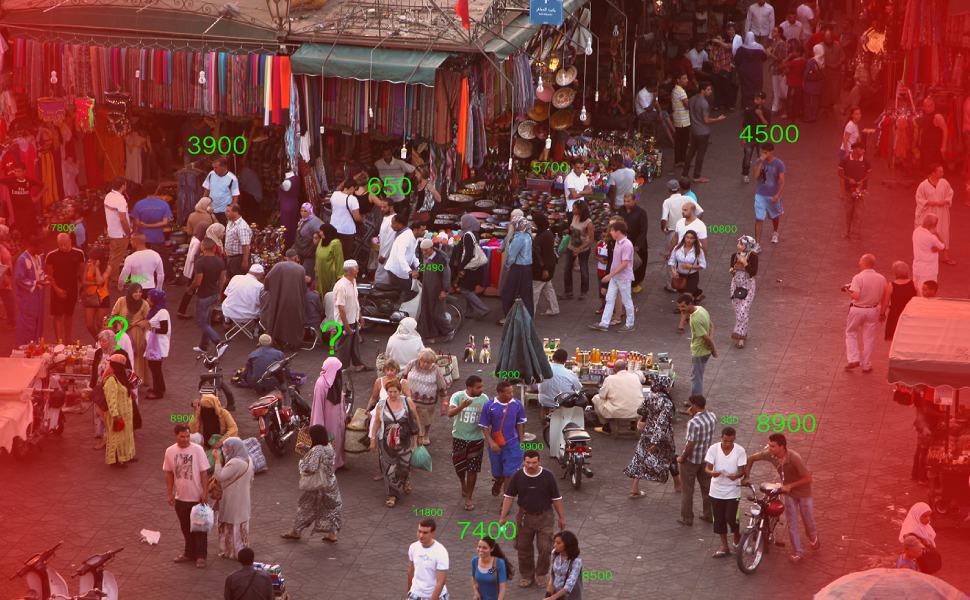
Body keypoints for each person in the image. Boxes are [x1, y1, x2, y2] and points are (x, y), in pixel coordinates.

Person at [743, 433, 818, 563]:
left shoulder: (794, 458)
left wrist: (790, 486)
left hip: (804, 493)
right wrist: (746, 476)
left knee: (808, 521)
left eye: (772, 446)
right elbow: (750, 458)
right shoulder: (770, 455)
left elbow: (808, 478)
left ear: (782, 447)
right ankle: (797, 552)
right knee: (792, 523)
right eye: (769, 445)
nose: (769, 448)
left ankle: (813, 538)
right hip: (789, 494)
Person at [497, 450, 566, 589]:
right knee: (523, 548)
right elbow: (509, 497)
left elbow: (556, 499)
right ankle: (527, 575)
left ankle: (541, 574)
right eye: (528, 462)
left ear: (539, 462)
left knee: (546, 548)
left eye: (534, 462)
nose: (530, 465)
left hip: (545, 517)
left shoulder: (548, 476)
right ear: (524, 461)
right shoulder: (517, 476)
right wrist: (503, 517)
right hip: (524, 517)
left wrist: (561, 517)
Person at [280, 424, 343, 543]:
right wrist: (306, 448)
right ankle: (332, 534)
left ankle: (295, 531)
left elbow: (312, 467)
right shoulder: (329, 446)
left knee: (305, 507)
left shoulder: (317, 449)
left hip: (317, 486)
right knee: (332, 508)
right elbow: (319, 455)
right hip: (331, 484)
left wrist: (301, 464)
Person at [163, 424, 211, 568]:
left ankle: (201, 556)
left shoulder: (198, 450)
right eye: (182, 436)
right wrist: (169, 493)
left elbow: (204, 473)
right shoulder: (170, 451)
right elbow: (168, 473)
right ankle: (189, 553)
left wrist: (205, 492)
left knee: (200, 529)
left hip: (197, 499)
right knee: (185, 528)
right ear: (175, 435)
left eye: (187, 436)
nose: (185, 439)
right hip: (180, 498)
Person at [369, 378, 421, 507]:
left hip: (405, 441)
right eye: (390, 392)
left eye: (395, 392)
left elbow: (415, 417)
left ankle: (405, 479)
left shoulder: (407, 401)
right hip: (386, 443)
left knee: (404, 465)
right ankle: (392, 495)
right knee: (388, 468)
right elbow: (376, 422)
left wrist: (420, 434)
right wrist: (373, 439)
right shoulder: (381, 404)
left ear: (400, 391)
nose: (392, 394)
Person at [625, 377, 680, 497]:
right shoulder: (667, 403)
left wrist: (648, 415)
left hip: (647, 432)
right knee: (670, 457)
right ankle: (678, 484)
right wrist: (655, 442)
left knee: (640, 458)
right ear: (665, 386)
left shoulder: (650, 397)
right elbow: (662, 423)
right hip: (663, 435)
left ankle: (634, 488)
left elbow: (640, 410)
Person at [448, 375, 489, 511]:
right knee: (459, 467)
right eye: (478, 387)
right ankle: (462, 483)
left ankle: (469, 496)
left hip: (477, 439)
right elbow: (450, 413)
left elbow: (487, 418)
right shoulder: (458, 396)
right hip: (459, 437)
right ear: (469, 388)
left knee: (473, 468)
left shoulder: (484, 399)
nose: (481, 389)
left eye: (481, 386)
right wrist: (462, 406)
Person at [480, 381, 527, 498]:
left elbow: (520, 423)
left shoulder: (517, 404)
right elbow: (484, 426)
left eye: (512, 392)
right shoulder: (489, 405)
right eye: (508, 393)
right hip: (496, 445)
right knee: (498, 472)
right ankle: (498, 480)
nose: (511, 395)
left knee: (509, 474)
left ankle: (506, 500)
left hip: (513, 444)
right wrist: (491, 443)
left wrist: (521, 442)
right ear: (500, 393)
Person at [705, 427, 747, 558]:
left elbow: (742, 470)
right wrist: (712, 473)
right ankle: (724, 546)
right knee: (719, 519)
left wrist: (736, 475)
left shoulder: (740, 451)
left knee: (731, 517)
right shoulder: (713, 449)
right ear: (721, 438)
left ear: (734, 438)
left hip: (733, 491)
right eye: (725, 441)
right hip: (716, 490)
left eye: (730, 441)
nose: (728, 444)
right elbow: (707, 468)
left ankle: (736, 535)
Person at [843, 253, 888, 373]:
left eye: (860, 261)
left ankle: (853, 358)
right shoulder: (881, 278)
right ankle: (866, 364)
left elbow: (856, 296)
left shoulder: (858, 277)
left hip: (857, 309)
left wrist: (848, 290)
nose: (859, 263)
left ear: (864, 263)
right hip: (873, 310)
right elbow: (885, 297)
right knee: (869, 338)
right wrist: (882, 313)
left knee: (851, 333)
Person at [676, 394, 716, 527]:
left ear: (694, 406)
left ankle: (687, 518)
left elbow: (690, 444)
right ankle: (708, 514)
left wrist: (683, 458)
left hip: (691, 461)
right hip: (705, 459)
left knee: (688, 490)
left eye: (690, 404)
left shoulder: (693, 423)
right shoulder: (712, 417)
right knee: (707, 488)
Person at [588, 221, 635, 332]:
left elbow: (625, 264)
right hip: (616, 277)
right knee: (610, 299)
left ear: (618, 231)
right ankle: (604, 323)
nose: (611, 233)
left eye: (612, 231)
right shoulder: (618, 242)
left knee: (626, 300)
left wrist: (610, 275)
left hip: (623, 277)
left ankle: (630, 324)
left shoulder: (627, 244)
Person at [212, 437, 254, 560]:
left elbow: (219, 476)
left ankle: (231, 551)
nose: (225, 450)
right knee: (240, 525)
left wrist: (217, 460)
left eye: (226, 447)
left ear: (233, 448)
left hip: (232, 499)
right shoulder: (249, 460)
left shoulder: (235, 463)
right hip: (243, 498)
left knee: (231, 524)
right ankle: (241, 550)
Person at [261, 249, 308, 349]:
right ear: (295, 257)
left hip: (278, 298)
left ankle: (277, 340)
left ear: (286, 257)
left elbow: (267, 279)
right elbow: (304, 288)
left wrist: (271, 289)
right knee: (293, 320)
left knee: (277, 318)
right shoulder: (300, 269)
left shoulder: (278, 266)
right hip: (295, 299)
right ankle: (292, 342)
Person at [403, 348, 449, 446]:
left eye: (428, 362)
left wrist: (444, 404)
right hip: (411, 399)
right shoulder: (412, 364)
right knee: (411, 418)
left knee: (426, 420)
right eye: (423, 361)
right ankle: (414, 435)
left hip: (428, 402)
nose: (425, 364)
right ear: (420, 359)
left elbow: (442, 387)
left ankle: (426, 434)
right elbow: (403, 377)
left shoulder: (436, 369)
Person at [44, 232, 85, 341]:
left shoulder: (79, 254)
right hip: (57, 289)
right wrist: (57, 289)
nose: (63, 247)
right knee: (57, 316)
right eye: (60, 244)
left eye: (65, 244)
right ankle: (59, 342)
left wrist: (83, 289)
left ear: (70, 241)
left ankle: (68, 340)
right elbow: (49, 276)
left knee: (69, 315)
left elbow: (81, 272)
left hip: (72, 289)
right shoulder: (51, 256)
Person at [188, 239, 227, 354]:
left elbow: (198, 281)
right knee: (207, 321)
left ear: (203, 247)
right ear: (214, 248)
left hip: (203, 295)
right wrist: (219, 293)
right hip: (214, 293)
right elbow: (222, 279)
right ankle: (203, 346)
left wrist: (190, 289)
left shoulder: (200, 262)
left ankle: (219, 343)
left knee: (201, 322)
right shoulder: (220, 261)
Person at [683, 83, 727, 183]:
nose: (710, 92)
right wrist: (718, 119)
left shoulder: (692, 99)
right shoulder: (704, 103)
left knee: (690, 153)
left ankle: (684, 174)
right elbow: (706, 120)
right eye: (708, 90)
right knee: (700, 155)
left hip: (694, 130)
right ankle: (696, 176)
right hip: (703, 132)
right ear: (702, 90)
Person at [311, 357, 347, 469]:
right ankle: (330, 467)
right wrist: (318, 427)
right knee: (330, 441)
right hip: (327, 421)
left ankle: (339, 462)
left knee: (339, 440)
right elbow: (317, 406)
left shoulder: (336, 380)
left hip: (338, 419)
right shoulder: (321, 384)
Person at [914, 165, 955, 265]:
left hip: (942, 213)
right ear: (933, 172)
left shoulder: (944, 183)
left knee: (943, 232)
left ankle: (946, 256)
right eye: (940, 171)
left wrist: (945, 201)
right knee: (928, 233)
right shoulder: (923, 185)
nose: (942, 173)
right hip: (928, 213)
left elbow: (950, 193)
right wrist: (931, 203)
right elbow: (919, 198)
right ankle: (926, 255)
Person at [678, 294, 718, 396]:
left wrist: (714, 350)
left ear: (690, 304)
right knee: (697, 376)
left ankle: (695, 403)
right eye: (679, 306)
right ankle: (694, 400)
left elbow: (706, 338)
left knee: (696, 378)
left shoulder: (694, 319)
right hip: (705, 351)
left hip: (699, 352)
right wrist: (711, 346)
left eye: (683, 306)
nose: (681, 309)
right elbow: (711, 326)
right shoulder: (701, 309)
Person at [102, 352, 136, 467]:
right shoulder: (111, 380)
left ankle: (126, 455)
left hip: (126, 413)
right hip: (116, 414)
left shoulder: (122, 378)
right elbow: (111, 399)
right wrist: (115, 415)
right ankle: (116, 459)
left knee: (126, 436)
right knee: (116, 437)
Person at [131, 190, 174, 281]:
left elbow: (136, 223)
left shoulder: (139, 204)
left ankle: (141, 278)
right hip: (158, 236)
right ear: (157, 189)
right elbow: (165, 222)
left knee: (141, 259)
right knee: (161, 258)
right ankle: (168, 278)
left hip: (143, 237)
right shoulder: (163, 204)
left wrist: (144, 226)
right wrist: (152, 225)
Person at [110, 283, 150, 380]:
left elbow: (148, 320)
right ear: (130, 292)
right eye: (135, 292)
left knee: (136, 356)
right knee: (121, 353)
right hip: (122, 333)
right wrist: (121, 324)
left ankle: (136, 379)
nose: (138, 294)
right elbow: (114, 314)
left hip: (137, 334)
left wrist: (138, 324)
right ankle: (120, 377)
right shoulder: (121, 301)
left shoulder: (144, 304)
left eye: (140, 292)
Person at [416, 239, 453, 342]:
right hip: (427, 288)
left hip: (437, 290)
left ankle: (449, 331)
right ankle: (431, 334)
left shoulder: (439, 259)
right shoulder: (426, 257)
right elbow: (424, 268)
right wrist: (418, 272)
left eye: (426, 250)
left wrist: (444, 290)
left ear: (432, 248)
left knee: (437, 313)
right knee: (427, 311)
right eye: (422, 250)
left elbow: (446, 276)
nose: (424, 253)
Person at [333, 259, 366, 371]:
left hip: (353, 319)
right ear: (351, 270)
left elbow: (355, 301)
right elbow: (340, 308)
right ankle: (341, 369)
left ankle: (358, 365)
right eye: (356, 268)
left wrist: (360, 316)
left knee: (354, 344)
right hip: (344, 322)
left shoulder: (353, 281)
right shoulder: (341, 286)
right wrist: (346, 326)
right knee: (344, 347)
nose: (358, 270)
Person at [14, 236, 49, 344]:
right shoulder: (22, 259)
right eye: (39, 248)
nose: (41, 251)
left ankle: (35, 346)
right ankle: (24, 347)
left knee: (38, 321)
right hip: (27, 297)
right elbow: (19, 279)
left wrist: (45, 278)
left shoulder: (38, 257)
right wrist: (36, 282)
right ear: (32, 247)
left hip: (38, 295)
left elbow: (40, 272)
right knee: (28, 323)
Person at [591, 360, 642, 428]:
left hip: (617, 412)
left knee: (596, 398)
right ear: (626, 368)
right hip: (637, 411)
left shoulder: (610, 379)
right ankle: (633, 425)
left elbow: (602, 396)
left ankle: (606, 426)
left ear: (614, 369)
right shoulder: (635, 377)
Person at [407, 518, 449, 600]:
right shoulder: (413, 547)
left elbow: (441, 582)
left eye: (425, 532)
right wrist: (409, 591)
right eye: (419, 531)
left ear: (432, 533)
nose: (421, 535)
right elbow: (411, 570)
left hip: (436, 596)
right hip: (415, 593)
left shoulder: (441, 552)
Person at [500, 218, 534, 319]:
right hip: (527, 269)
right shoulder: (528, 236)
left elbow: (511, 256)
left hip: (518, 269)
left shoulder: (519, 238)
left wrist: (507, 266)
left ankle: (509, 317)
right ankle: (527, 318)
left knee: (508, 293)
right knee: (525, 295)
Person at [730, 235, 760, 348]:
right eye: (738, 243)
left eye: (741, 244)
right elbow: (732, 269)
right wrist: (732, 270)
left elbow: (753, 272)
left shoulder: (753, 256)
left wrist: (745, 262)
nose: (738, 246)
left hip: (748, 286)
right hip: (735, 286)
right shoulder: (734, 255)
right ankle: (743, 333)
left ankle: (739, 335)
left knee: (743, 310)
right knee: (739, 311)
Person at [752, 142, 785, 244]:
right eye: (763, 152)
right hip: (760, 194)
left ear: (771, 152)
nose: (763, 154)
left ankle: (775, 232)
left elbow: (782, 181)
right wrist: (761, 162)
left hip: (772, 195)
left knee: (774, 216)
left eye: (766, 152)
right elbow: (756, 176)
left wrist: (778, 195)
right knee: (759, 218)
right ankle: (757, 243)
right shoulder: (759, 161)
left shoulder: (779, 164)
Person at [838, 141, 871, 240]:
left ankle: (855, 234)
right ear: (856, 149)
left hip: (861, 191)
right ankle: (846, 232)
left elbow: (868, 174)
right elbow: (839, 173)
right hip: (849, 190)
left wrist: (862, 181)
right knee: (848, 212)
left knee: (858, 212)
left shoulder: (866, 162)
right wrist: (848, 179)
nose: (863, 151)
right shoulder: (845, 160)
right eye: (861, 149)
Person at [385, 216, 424, 299]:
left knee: (403, 292)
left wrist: (418, 265)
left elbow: (411, 254)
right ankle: (401, 310)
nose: (424, 232)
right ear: (415, 230)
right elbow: (400, 256)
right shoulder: (406, 237)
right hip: (395, 270)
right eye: (422, 230)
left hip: (402, 269)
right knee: (410, 291)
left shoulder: (415, 237)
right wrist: (409, 271)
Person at [616, 193, 648, 292]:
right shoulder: (621, 210)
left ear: (634, 201)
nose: (626, 203)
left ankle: (636, 282)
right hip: (624, 242)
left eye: (628, 201)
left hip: (638, 244)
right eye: (625, 201)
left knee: (639, 263)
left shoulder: (641, 212)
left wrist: (637, 245)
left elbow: (644, 230)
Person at [669, 230, 707, 315]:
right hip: (680, 275)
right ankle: (697, 294)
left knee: (687, 296)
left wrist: (691, 266)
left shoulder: (698, 250)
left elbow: (703, 265)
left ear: (695, 240)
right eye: (687, 237)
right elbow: (672, 261)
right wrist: (673, 271)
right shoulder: (677, 248)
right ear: (684, 238)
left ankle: (684, 313)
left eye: (691, 238)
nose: (689, 240)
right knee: (681, 293)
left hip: (692, 275)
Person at [538, 349, 581, 421]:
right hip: (562, 402)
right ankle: (566, 419)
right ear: (565, 360)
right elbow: (578, 388)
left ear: (553, 358)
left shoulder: (543, 368)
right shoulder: (569, 373)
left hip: (544, 400)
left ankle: (544, 421)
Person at [564, 201, 594, 300]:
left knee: (584, 269)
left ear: (580, 210)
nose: (573, 210)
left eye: (575, 208)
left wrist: (580, 249)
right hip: (571, 246)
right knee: (567, 269)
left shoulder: (588, 223)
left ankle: (584, 292)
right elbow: (572, 229)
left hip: (583, 249)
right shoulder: (574, 216)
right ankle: (568, 292)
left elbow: (591, 240)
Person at [530, 213, 558, 317]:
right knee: (548, 288)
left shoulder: (544, 235)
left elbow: (545, 254)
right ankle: (554, 308)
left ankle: (530, 313)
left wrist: (545, 269)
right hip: (547, 266)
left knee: (535, 291)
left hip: (541, 268)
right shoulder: (546, 233)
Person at [103, 177, 131, 282]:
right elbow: (123, 219)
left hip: (112, 232)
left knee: (113, 257)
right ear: (123, 186)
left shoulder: (108, 196)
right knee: (116, 259)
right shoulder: (120, 200)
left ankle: (111, 277)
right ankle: (114, 280)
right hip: (121, 234)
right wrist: (128, 232)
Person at [709, 23, 741, 112]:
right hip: (716, 71)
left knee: (727, 88)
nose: (717, 41)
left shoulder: (728, 45)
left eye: (719, 39)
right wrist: (713, 46)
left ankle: (729, 105)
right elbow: (711, 58)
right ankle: (717, 104)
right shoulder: (714, 48)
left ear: (722, 39)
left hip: (726, 70)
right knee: (717, 88)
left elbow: (729, 47)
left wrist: (719, 42)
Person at [144, 288, 170, 399]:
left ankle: (158, 392)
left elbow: (164, 329)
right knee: (155, 367)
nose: (147, 299)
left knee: (155, 367)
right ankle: (160, 387)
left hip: (157, 346)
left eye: (149, 298)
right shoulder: (155, 310)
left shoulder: (162, 312)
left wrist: (150, 328)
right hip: (153, 344)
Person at [81, 247, 110, 339]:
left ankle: (102, 344)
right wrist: (94, 283)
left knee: (100, 323)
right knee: (89, 324)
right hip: (90, 296)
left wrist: (97, 268)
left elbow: (100, 281)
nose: (90, 260)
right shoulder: (88, 265)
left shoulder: (108, 268)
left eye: (92, 258)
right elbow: (84, 281)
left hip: (103, 296)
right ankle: (99, 340)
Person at [912, 214, 945, 294]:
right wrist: (936, 233)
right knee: (928, 294)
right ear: (933, 225)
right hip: (929, 270)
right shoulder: (932, 237)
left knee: (917, 292)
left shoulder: (916, 231)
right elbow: (943, 246)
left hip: (917, 268)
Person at [329, 179, 363, 260]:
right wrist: (362, 220)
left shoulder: (335, 194)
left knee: (334, 253)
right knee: (345, 255)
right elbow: (357, 217)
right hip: (347, 231)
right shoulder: (352, 199)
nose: (354, 192)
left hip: (333, 227)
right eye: (354, 189)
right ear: (351, 187)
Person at [741, 92, 769, 183]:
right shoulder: (749, 111)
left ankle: (762, 174)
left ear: (763, 100)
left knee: (762, 157)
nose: (755, 101)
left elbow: (767, 124)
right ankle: (745, 174)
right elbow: (744, 125)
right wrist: (744, 138)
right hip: (750, 137)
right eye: (755, 99)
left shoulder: (767, 111)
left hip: (760, 138)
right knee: (747, 157)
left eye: (758, 99)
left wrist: (760, 115)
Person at [545, 530, 582, 600]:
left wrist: (553, 598)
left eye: (558, 543)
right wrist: (548, 592)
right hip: (555, 592)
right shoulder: (555, 554)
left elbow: (569, 586)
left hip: (569, 597)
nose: (554, 545)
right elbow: (553, 574)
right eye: (554, 542)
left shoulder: (576, 562)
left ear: (568, 545)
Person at [885, 261, 917, 341]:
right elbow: (918, 299)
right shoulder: (914, 284)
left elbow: (885, 301)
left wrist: (882, 314)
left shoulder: (891, 286)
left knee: (894, 339)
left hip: (895, 315)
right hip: (909, 313)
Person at [915, 97, 948, 174]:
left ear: (933, 105)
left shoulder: (937, 116)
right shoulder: (926, 115)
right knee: (927, 170)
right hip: (926, 147)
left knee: (933, 171)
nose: (926, 108)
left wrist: (944, 147)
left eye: (928, 106)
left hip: (934, 149)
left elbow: (945, 130)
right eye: (925, 106)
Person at [202, 157, 239, 224]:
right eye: (213, 167)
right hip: (211, 210)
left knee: (223, 231)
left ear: (224, 167)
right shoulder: (211, 174)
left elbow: (235, 197)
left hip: (224, 212)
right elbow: (206, 190)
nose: (214, 170)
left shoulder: (232, 178)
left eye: (216, 168)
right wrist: (203, 205)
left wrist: (231, 212)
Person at [734, 33, 767, 109]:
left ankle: (746, 106)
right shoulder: (759, 47)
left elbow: (737, 60)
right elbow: (764, 58)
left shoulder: (741, 48)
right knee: (757, 88)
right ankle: (757, 104)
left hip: (745, 72)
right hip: (757, 72)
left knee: (745, 88)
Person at [293, 202, 323, 278]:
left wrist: (316, 241)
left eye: (305, 211)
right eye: (301, 211)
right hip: (302, 251)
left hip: (309, 254)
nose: (302, 213)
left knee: (307, 275)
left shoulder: (314, 222)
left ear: (310, 211)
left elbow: (322, 233)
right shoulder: (303, 220)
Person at [314, 224, 344, 300]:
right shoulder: (322, 241)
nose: (320, 233)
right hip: (320, 274)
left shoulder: (335, 243)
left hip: (330, 274)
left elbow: (339, 259)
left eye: (321, 231)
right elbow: (318, 256)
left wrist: (340, 276)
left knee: (328, 295)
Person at [224, 204, 253, 279]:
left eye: (228, 211)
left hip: (239, 259)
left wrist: (245, 261)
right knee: (230, 280)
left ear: (235, 212)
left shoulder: (242, 226)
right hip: (231, 258)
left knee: (237, 280)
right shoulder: (230, 222)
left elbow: (246, 245)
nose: (225, 213)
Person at [671, 73, 692, 168]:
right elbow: (687, 105)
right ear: (678, 80)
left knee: (679, 142)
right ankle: (683, 161)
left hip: (678, 119)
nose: (686, 80)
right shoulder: (681, 91)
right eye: (684, 78)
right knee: (684, 141)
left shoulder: (675, 90)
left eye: (686, 78)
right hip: (683, 121)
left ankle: (678, 161)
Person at [820, 28, 843, 113]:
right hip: (826, 73)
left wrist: (838, 63)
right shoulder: (821, 46)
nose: (828, 40)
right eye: (827, 38)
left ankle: (834, 105)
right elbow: (819, 60)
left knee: (836, 90)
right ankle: (825, 107)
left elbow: (842, 56)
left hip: (836, 72)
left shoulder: (837, 45)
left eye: (830, 38)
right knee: (826, 90)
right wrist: (829, 65)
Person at [784, 45, 806, 120]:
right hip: (800, 83)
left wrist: (789, 56)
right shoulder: (804, 61)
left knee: (790, 100)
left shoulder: (793, 62)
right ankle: (798, 114)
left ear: (798, 53)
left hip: (792, 83)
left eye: (795, 51)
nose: (793, 52)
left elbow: (783, 65)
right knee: (798, 100)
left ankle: (790, 115)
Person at [803, 45, 825, 123]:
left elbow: (806, 74)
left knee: (808, 101)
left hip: (809, 84)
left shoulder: (811, 61)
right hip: (818, 84)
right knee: (815, 101)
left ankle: (808, 117)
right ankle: (814, 116)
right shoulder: (823, 61)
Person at [0, 225, 14, 329]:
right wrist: (4, 277)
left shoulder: (3, 246)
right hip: (3, 276)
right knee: (8, 298)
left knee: (8, 298)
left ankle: (11, 319)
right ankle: (11, 320)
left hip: (6, 274)